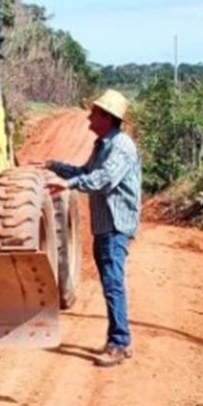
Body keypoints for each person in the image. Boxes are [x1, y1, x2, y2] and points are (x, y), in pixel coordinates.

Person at [40, 89, 142, 368]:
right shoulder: (103, 144)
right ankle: (118, 339)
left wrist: (68, 184)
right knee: (110, 282)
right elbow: (86, 173)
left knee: (112, 283)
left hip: (115, 224)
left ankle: (120, 343)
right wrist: (55, 167)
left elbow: (104, 179)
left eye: (94, 113)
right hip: (104, 224)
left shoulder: (121, 146)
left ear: (107, 118)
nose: (88, 117)